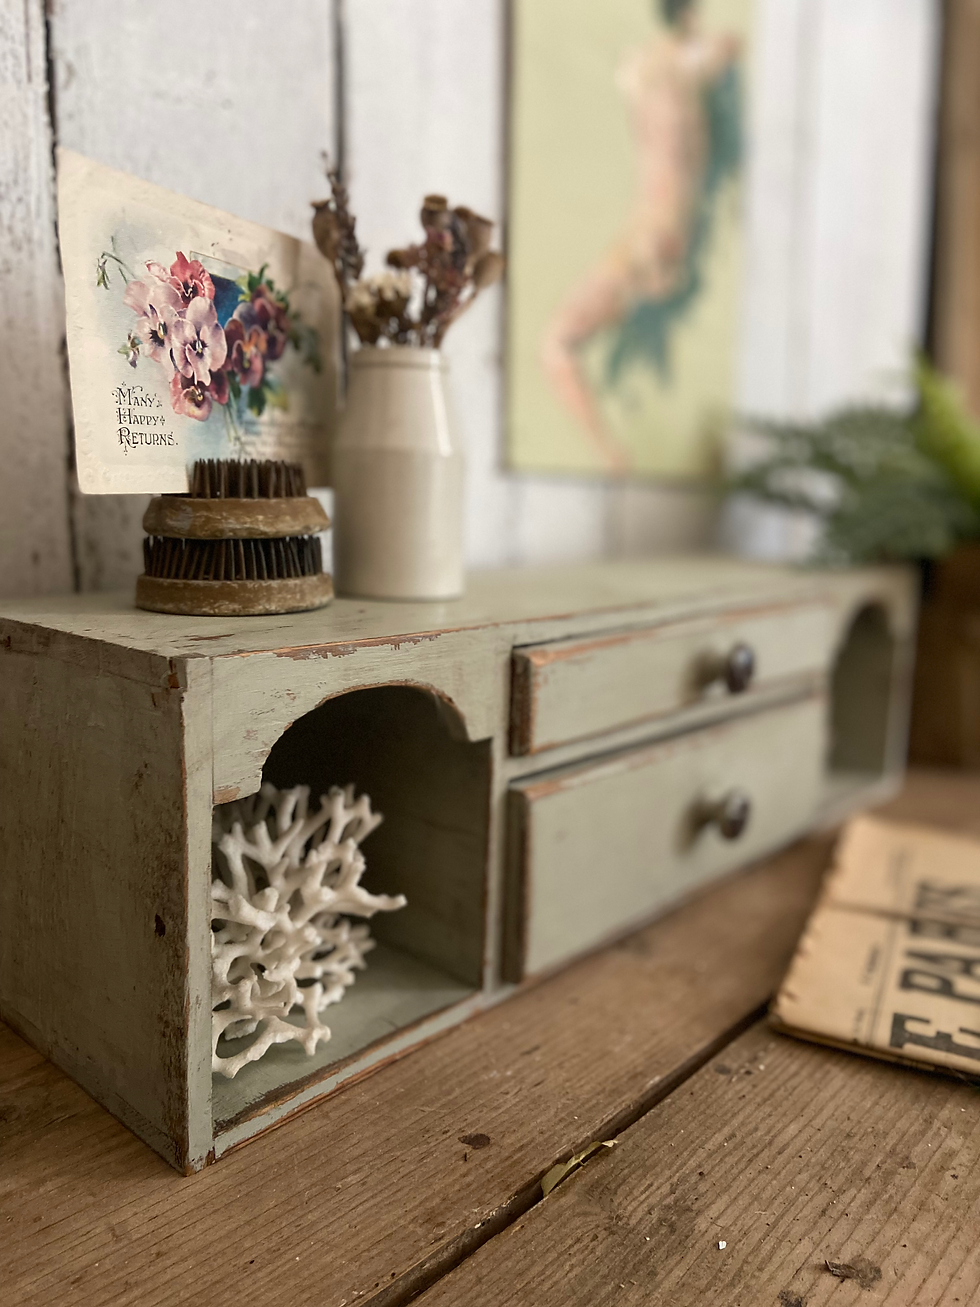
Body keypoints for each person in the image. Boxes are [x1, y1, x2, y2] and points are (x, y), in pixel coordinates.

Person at [540, 0, 741, 472]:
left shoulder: (657, 67)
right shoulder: (675, 66)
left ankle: (611, 455)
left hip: (655, 233)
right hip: (655, 234)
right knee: (556, 347)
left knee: (555, 347)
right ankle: (612, 455)